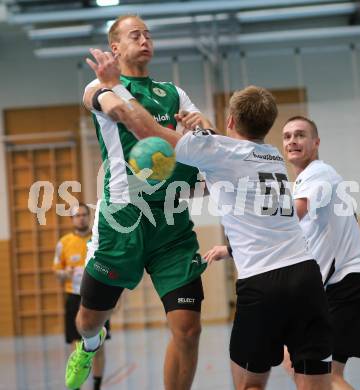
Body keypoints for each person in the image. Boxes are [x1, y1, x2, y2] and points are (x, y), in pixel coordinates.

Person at [84, 51, 334, 389]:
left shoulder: (219, 152)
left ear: (230, 122)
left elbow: (145, 129)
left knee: (250, 384)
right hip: (307, 275)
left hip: (262, 283)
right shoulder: (274, 156)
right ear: (270, 126)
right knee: (314, 381)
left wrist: (114, 86)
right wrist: (203, 132)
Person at [65, 15, 209, 390]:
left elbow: (205, 139)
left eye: (148, 33)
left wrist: (200, 125)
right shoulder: (99, 86)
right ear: (115, 48)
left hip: (172, 223)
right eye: (135, 35)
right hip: (123, 219)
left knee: (189, 328)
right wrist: (115, 87)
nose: (145, 39)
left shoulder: (173, 93)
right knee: (89, 319)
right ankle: (90, 345)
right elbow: (121, 115)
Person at [281, 116, 360, 390]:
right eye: (287, 136)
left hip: (349, 284)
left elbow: (291, 216)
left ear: (316, 142)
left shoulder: (318, 173)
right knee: (292, 360)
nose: (292, 141)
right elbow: (296, 239)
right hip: (335, 286)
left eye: (300, 135)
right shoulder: (303, 182)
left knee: (328, 375)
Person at [53, 203, 110, 390]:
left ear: (89, 216)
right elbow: (57, 272)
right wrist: (65, 273)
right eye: (77, 215)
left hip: (97, 296)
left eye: (85, 214)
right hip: (74, 297)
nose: (81, 218)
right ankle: (77, 384)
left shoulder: (98, 239)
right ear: (72, 219)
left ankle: (96, 385)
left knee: (98, 345)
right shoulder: (63, 243)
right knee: (77, 345)